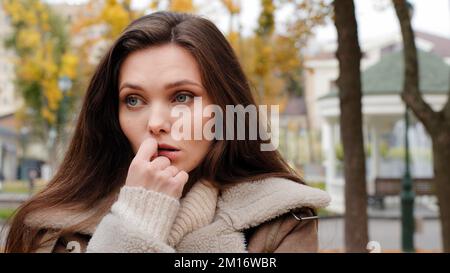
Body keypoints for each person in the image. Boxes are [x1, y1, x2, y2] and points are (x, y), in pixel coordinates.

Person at [4, 11, 330, 253]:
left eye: (182, 97)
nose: (156, 122)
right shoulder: (48, 228)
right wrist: (136, 221)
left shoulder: (281, 220)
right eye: (133, 100)